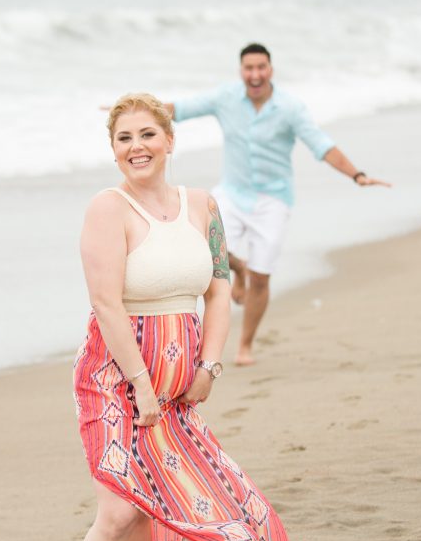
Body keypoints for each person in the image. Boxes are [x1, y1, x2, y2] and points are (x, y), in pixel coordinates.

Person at [68, 92, 293, 541]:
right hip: (114, 377)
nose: (136, 147)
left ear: (170, 140)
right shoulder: (107, 209)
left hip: (179, 382)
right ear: (113, 150)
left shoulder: (201, 205)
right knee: (119, 510)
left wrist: (210, 366)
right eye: (124, 139)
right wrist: (140, 383)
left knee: (149, 507)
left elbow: (219, 287)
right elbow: (105, 302)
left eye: (147, 135)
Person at [166, 44, 391, 365]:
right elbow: (180, 109)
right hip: (232, 192)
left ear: (271, 69)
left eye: (261, 67)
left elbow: (321, 145)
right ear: (241, 70)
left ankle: (245, 345)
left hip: (273, 200)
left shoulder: (290, 108)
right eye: (249, 68)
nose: (255, 74)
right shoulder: (225, 98)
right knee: (203, 243)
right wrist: (132, 110)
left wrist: (357, 174)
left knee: (262, 278)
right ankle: (238, 268)